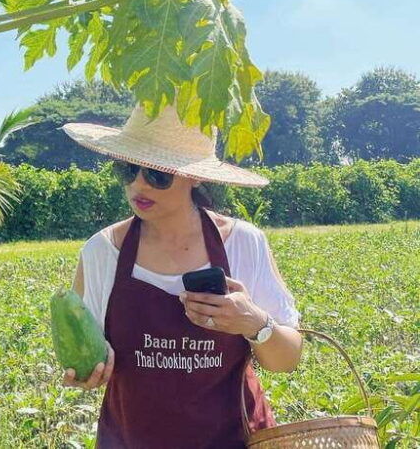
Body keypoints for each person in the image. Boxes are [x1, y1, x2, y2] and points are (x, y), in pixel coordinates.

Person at [60, 103, 303, 448]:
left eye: (158, 174)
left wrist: (253, 322)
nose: (139, 185)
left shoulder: (243, 244)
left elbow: (288, 359)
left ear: (195, 176)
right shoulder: (101, 253)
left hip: (237, 439)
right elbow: (87, 353)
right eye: (129, 170)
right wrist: (89, 372)